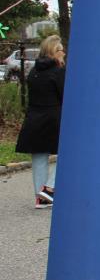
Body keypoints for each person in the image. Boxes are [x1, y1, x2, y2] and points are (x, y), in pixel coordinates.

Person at [15, 35, 65, 208]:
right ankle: (49, 188)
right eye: (61, 50)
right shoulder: (58, 71)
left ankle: (41, 197)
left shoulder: (34, 71)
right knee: (69, 152)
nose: (64, 53)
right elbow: (65, 96)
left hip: (34, 119)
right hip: (53, 118)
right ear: (53, 51)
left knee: (39, 157)